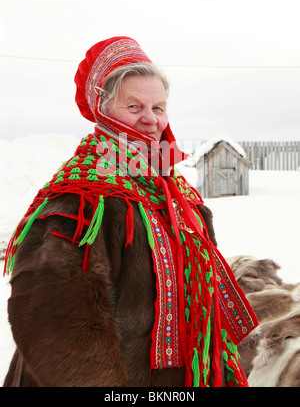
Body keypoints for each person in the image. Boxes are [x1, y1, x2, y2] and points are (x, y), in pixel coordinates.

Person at [3, 36, 258, 387]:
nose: (151, 120)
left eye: (158, 108)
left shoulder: (177, 194)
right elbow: (55, 324)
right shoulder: (83, 199)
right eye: (134, 107)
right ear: (103, 111)